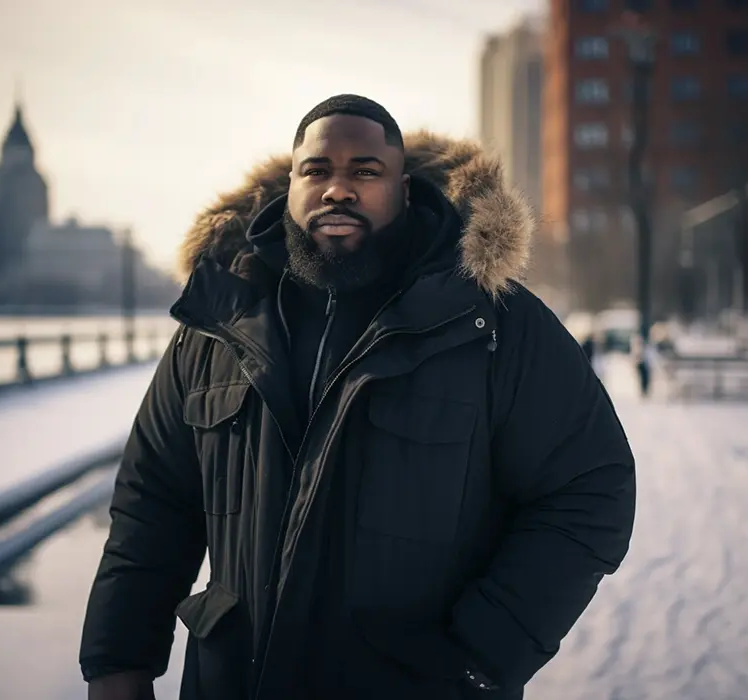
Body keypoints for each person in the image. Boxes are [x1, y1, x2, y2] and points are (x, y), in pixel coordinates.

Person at [79, 94, 636, 700]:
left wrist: (481, 656)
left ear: (405, 190)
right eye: (316, 170)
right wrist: (118, 665)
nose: (337, 189)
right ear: (288, 188)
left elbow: (590, 489)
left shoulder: (492, 322)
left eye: (365, 171)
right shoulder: (220, 324)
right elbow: (151, 505)